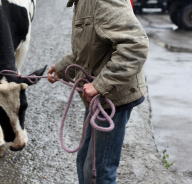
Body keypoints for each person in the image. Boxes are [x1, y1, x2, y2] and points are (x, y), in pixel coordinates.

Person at [47, 0, 149, 183]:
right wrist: (61, 67)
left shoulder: (103, 1)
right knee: (84, 163)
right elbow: (88, 49)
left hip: (113, 96)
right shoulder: (82, 2)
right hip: (96, 96)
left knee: (98, 173)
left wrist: (100, 84)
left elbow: (136, 46)